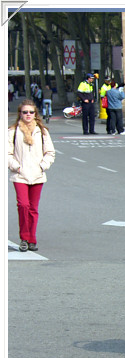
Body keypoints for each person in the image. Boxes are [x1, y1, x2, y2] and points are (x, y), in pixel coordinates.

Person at [7, 99, 55, 252]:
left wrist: (43, 166)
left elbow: (50, 152)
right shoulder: (13, 131)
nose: (28, 115)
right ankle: (24, 237)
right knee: (23, 205)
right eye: (25, 112)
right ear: (20, 114)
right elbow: (7, 153)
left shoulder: (42, 131)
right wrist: (16, 166)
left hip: (37, 175)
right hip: (20, 175)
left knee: (33, 208)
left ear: (35, 114)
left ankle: (32, 239)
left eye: (31, 112)